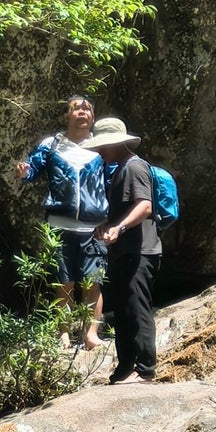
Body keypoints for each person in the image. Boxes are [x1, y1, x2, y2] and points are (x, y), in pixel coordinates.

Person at [17, 94, 108, 350]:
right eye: (77, 108)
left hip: (94, 227)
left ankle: (91, 335)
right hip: (59, 224)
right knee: (63, 283)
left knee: (94, 283)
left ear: (92, 117)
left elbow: (113, 181)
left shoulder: (101, 146)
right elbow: (33, 169)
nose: (83, 111)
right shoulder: (52, 144)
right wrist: (26, 172)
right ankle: (63, 334)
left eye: (88, 108)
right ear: (67, 116)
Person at [88, 116, 160, 384]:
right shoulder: (120, 169)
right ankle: (125, 367)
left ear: (115, 144)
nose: (98, 151)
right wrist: (108, 226)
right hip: (124, 251)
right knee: (123, 309)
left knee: (137, 307)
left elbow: (145, 206)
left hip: (141, 250)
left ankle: (144, 369)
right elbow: (127, 210)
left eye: (102, 146)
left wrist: (118, 228)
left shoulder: (134, 167)